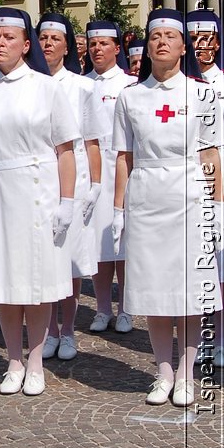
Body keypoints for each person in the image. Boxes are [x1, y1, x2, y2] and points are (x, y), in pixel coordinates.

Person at [0, 8, 77, 397]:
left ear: (26, 45)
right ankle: (13, 360)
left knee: (37, 281)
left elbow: (65, 150)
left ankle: (37, 360)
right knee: (5, 281)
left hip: (38, 189)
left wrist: (67, 201)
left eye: (8, 38)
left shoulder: (47, 88)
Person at [112, 10, 221, 406]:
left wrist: (217, 206)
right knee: (155, 289)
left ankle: (188, 374)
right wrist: (118, 209)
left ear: (182, 46)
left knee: (189, 291)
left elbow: (210, 153)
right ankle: (162, 372)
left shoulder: (200, 93)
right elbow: (124, 156)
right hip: (147, 195)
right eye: (154, 35)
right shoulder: (130, 97)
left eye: (169, 36)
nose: (161, 42)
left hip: (189, 194)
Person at [37, 14, 102, 362]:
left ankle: (68, 330)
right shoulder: (30, 84)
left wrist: (95, 185)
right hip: (41, 177)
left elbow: (91, 141)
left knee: (72, 260)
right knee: (48, 259)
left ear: (67, 46)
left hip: (73, 179)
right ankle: (47, 330)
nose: (47, 44)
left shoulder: (83, 87)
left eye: (54, 38)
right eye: (43, 37)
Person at [85, 21, 136, 333]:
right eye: (93, 44)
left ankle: (126, 307)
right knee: (98, 243)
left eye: (103, 44)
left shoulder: (129, 85)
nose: (97, 50)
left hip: (123, 166)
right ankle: (103, 307)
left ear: (117, 48)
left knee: (125, 244)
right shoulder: (83, 84)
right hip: (93, 170)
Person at [187, 9, 224, 369]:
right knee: (202, 265)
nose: (201, 47)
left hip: (221, 176)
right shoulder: (188, 88)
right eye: (194, 40)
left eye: (206, 39)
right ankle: (204, 335)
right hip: (195, 177)